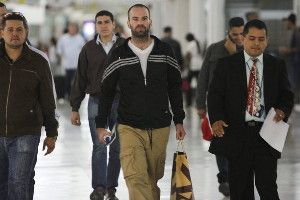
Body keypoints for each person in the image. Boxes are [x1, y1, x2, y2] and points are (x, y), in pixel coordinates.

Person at [95, 4, 186, 200]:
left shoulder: (165, 50)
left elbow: (174, 87)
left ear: (150, 22)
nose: (140, 23)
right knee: (135, 177)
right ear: (128, 23)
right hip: (129, 125)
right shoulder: (118, 53)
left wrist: (179, 119)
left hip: (160, 125)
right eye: (135, 19)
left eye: (144, 18)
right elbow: (107, 91)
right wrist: (101, 124)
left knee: (151, 180)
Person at [207, 19, 294, 200]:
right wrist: (216, 118)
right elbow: (215, 95)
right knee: (240, 191)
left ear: (267, 40)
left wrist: (282, 110)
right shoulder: (226, 65)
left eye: (261, 39)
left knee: (268, 188)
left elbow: (287, 95)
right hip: (238, 135)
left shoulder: (276, 65)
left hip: (266, 134)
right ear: (243, 39)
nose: (256, 43)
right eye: (252, 38)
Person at [0, 12, 58, 200]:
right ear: (2, 32)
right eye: (10, 29)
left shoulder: (38, 61)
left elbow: (48, 99)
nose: (14, 33)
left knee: (19, 183)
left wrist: (52, 133)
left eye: (19, 29)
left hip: (26, 132)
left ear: (26, 32)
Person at [70, 10, 125, 200]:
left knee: (117, 148)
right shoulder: (88, 48)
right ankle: (99, 188)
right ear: (96, 25)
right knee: (99, 146)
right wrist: (74, 107)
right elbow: (80, 78)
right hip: (96, 100)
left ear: (113, 24)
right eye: (99, 22)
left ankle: (111, 189)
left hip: (120, 102)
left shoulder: (125, 46)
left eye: (106, 22)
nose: (103, 25)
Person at [196, 16, 244, 197]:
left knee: (239, 142)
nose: (239, 38)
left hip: (241, 105)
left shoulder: (247, 49)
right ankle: (224, 178)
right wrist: (200, 103)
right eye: (235, 34)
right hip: (217, 103)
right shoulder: (214, 50)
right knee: (220, 139)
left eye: (241, 34)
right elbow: (203, 77)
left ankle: (234, 177)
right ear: (228, 32)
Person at [57, 22, 85, 99]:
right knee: (67, 81)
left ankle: (76, 96)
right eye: (71, 27)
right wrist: (62, 55)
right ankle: (68, 95)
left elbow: (84, 51)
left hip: (77, 64)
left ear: (76, 29)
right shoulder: (63, 38)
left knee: (76, 82)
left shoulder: (80, 38)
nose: (72, 29)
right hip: (66, 64)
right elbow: (59, 49)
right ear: (68, 28)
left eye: (74, 28)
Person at [279, 13, 300, 104]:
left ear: (290, 21)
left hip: (296, 61)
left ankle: (296, 100)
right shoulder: (294, 31)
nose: (286, 23)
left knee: (295, 80)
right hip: (294, 60)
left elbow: (298, 47)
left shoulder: (297, 32)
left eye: (287, 21)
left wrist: (288, 50)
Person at [185, 33, 203, 106]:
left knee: (186, 83)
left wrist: (186, 65)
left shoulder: (190, 44)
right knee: (199, 85)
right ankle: (199, 102)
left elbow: (188, 55)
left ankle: (188, 102)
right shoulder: (198, 43)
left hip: (192, 66)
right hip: (200, 65)